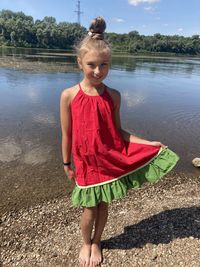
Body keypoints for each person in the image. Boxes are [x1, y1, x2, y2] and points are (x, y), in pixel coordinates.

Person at [60, 17, 179, 267]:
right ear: (79, 62)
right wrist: (66, 163)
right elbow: (67, 134)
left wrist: (149, 143)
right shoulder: (69, 95)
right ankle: (85, 242)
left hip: (108, 159)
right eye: (91, 64)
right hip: (85, 162)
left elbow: (119, 132)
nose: (98, 71)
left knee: (103, 206)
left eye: (104, 65)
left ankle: (97, 241)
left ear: (110, 64)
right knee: (89, 208)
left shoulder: (113, 95)